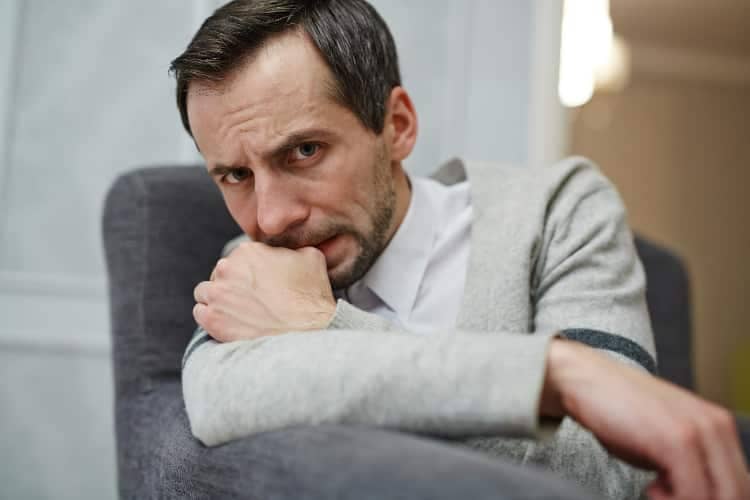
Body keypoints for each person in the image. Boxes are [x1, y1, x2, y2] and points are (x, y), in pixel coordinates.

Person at [170, 1, 749, 498]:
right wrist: (556, 377)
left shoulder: (558, 211)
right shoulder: (252, 264)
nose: (271, 218)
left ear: (397, 126)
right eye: (235, 176)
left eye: (304, 152)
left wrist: (324, 326)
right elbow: (218, 403)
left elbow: (607, 472)